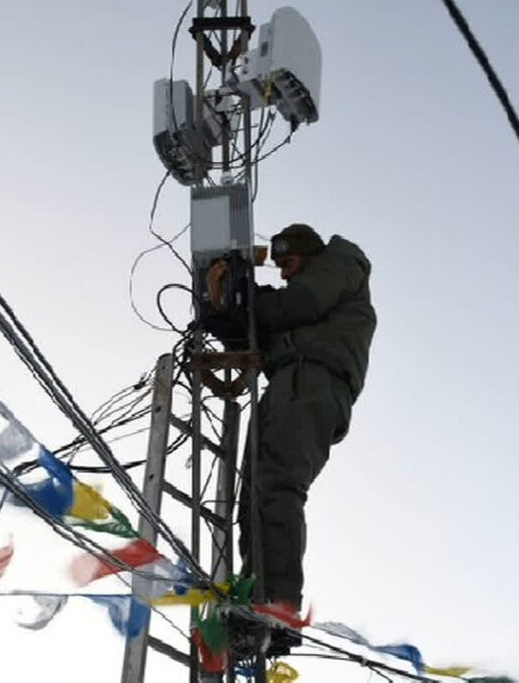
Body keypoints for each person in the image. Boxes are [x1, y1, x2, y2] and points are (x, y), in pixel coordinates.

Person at [222, 222, 376, 656]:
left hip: (312, 383)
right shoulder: (309, 302)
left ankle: (275, 609)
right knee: (254, 499)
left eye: (288, 263)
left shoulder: (341, 265)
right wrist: (236, 313)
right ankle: (258, 601)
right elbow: (276, 321)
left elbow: (300, 302)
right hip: (290, 383)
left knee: (276, 489)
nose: (284, 274)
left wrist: (252, 302)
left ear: (309, 254)